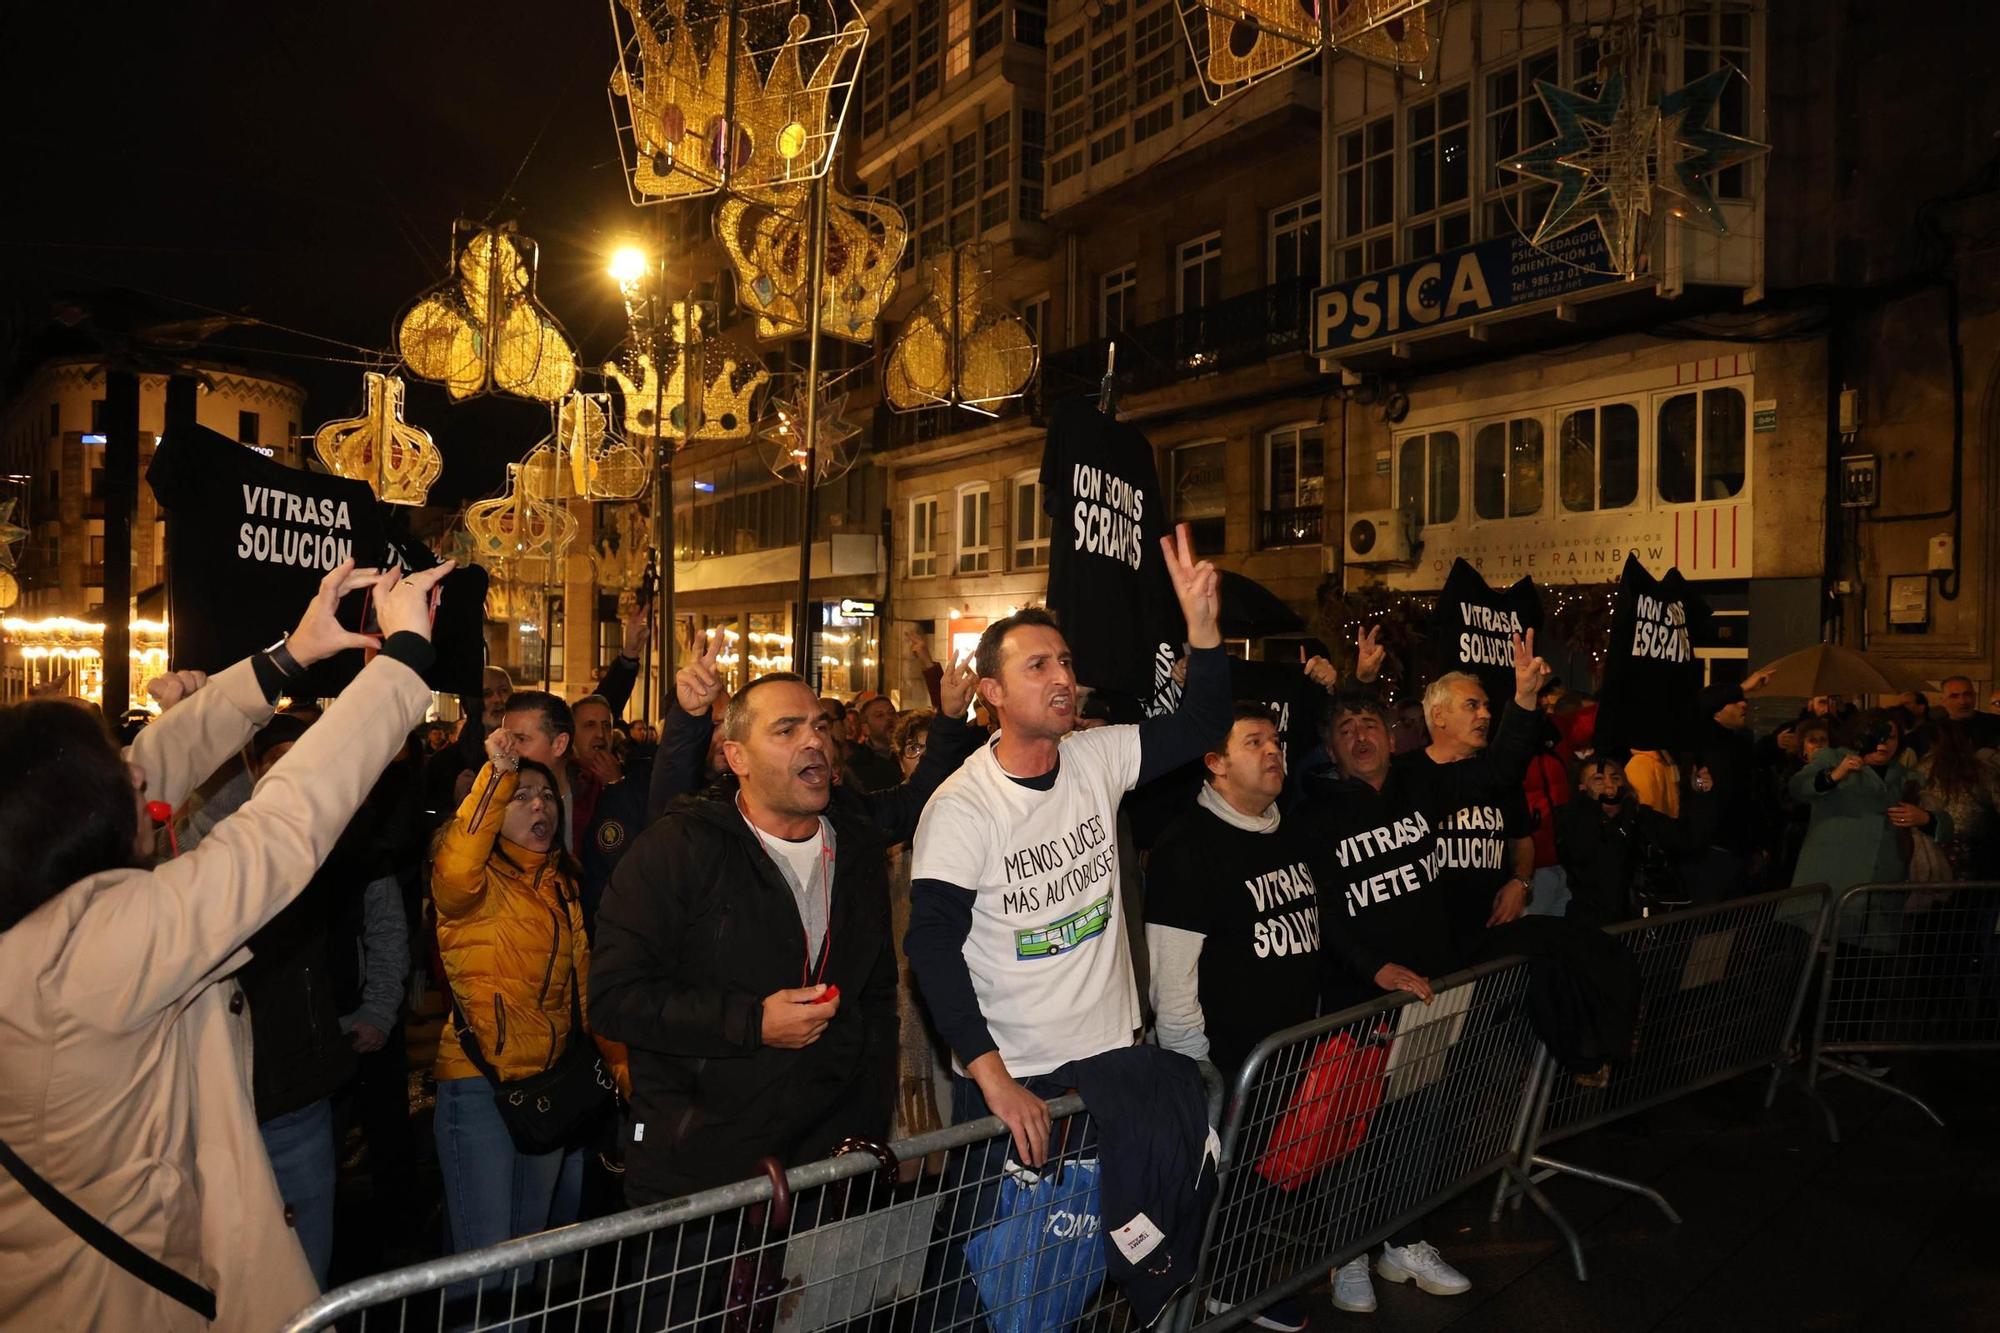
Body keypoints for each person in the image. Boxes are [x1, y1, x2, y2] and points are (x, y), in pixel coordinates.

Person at [0, 559, 447, 1331]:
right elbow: (280, 829)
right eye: (116, 775)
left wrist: (289, 657)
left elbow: (156, 762)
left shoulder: (31, 914)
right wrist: (403, 664)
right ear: (74, 820)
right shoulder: (83, 962)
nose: (140, 778)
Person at [1301, 633, 1551, 1315]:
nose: (1360, 735)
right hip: (1361, 1000)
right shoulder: (1316, 811)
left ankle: (1402, 1239)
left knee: (1420, 1120)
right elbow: (1319, 908)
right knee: (1352, 1132)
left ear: (1391, 734)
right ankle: (1345, 1253)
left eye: (1370, 723)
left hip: (1432, 994)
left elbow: (1498, 773)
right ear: (1331, 745)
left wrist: (1523, 699)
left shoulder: (1419, 781)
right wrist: (1373, 966)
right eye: (1345, 727)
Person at [428, 727, 625, 1302]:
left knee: (525, 1260)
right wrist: (498, 775)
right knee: (484, 1267)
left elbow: (582, 991)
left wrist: (616, 1064)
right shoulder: (470, 883)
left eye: (546, 797)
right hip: (479, 1089)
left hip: (547, 1092)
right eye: (523, 797)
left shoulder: (562, 885)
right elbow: (463, 855)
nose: (539, 805)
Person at [1146, 704, 1323, 1332]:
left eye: (1276, 740)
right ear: (1215, 764)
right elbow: (1171, 977)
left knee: (1258, 1181)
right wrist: (1199, 1073)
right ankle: (1218, 1288)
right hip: (1227, 1064)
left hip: (1285, 1053)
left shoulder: (1285, 828)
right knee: (1220, 1183)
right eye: (1254, 742)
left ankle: (1237, 1274)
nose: (1273, 751)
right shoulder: (1187, 847)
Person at [1396, 671, 1533, 956]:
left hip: (1492, 933)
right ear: (1439, 715)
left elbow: (1522, 839)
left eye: (1486, 706)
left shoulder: (1501, 775)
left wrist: (1519, 882)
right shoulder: (1404, 774)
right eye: (1472, 705)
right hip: (1425, 941)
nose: (1485, 715)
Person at [1555, 757, 1696, 927]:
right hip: (1594, 924)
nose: (1609, 784)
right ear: (1582, 787)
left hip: (1644, 920)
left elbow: (1688, 839)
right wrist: (1591, 804)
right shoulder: (1572, 820)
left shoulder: (1640, 817)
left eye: (1615, 778)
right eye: (1598, 779)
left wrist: (1699, 794)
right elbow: (1586, 854)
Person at [844, 694, 904, 792]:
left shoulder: (909, 754)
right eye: (880, 715)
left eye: (892, 713)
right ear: (866, 728)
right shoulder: (859, 763)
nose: (889, 718)